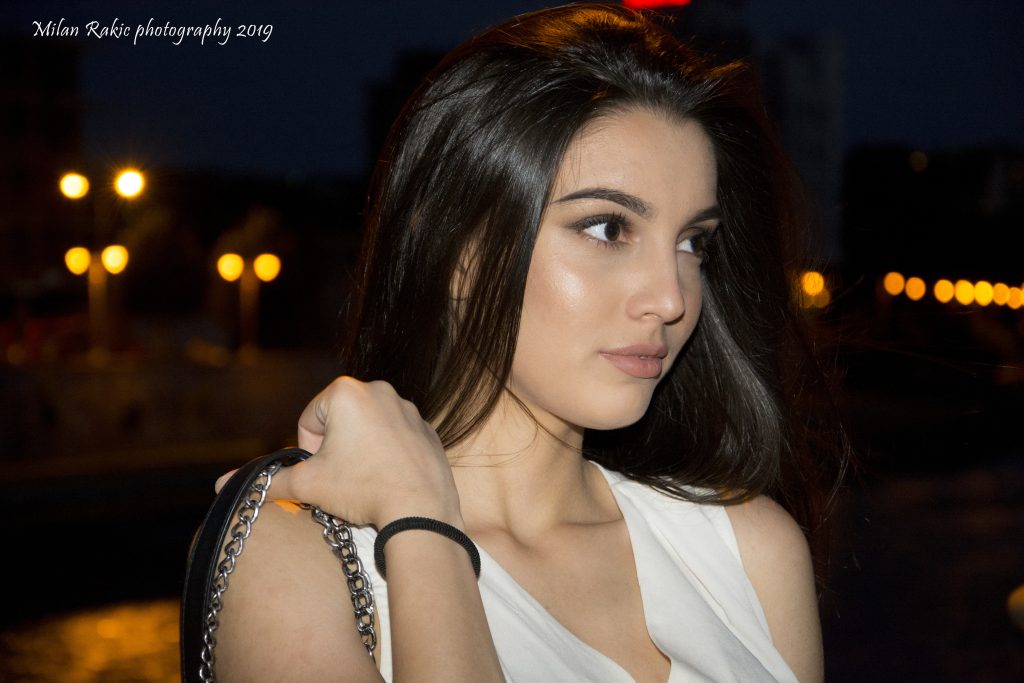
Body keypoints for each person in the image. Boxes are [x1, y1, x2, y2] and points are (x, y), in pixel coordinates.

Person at [212, 4, 847, 681]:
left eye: (693, 242)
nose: (671, 298)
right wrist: (421, 521)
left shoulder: (749, 552)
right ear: (457, 248)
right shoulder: (296, 557)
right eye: (608, 228)